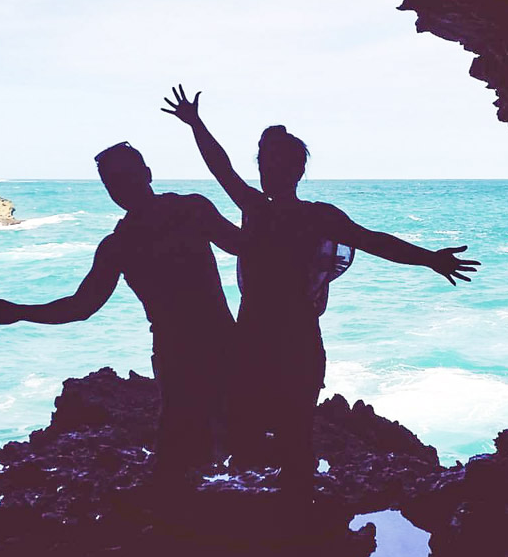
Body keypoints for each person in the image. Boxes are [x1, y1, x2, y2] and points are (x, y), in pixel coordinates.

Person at [162, 85, 480, 500]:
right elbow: (221, 168)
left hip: (289, 338)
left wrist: (429, 259)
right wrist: (197, 125)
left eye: (275, 163)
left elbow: (374, 240)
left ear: (296, 170)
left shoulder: (308, 216)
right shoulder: (260, 209)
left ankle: (295, 520)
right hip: (260, 338)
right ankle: (276, 516)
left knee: (293, 432)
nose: (267, 170)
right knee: (251, 431)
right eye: (263, 163)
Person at [0, 142, 240, 478]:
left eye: (125, 178)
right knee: (191, 447)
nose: (121, 188)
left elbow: (250, 249)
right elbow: (82, 306)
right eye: (113, 183)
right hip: (187, 351)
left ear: (147, 174)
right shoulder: (127, 241)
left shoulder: (179, 216)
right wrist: (21, 312)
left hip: (214, 347)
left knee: (212, 445)